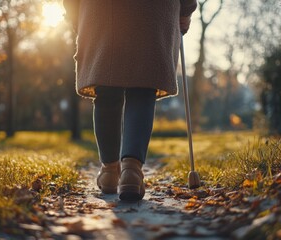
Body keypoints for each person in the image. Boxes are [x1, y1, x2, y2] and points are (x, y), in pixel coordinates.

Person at [63, 0, 197, 201]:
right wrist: (186, 9)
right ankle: (131, 172)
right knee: (142, 87)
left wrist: (75, 13)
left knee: (106, 87)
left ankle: (109, 172)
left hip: (99, 9)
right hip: (154, 9)